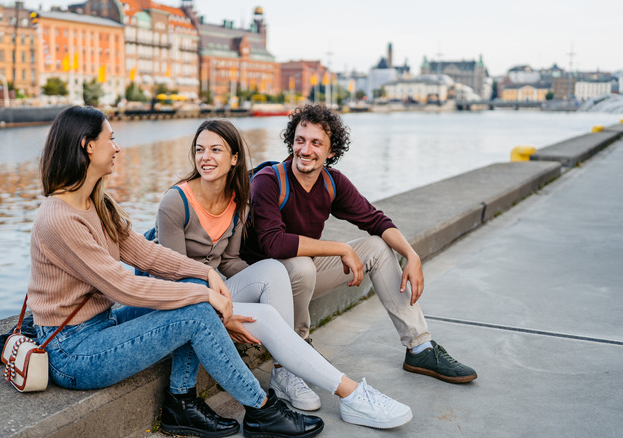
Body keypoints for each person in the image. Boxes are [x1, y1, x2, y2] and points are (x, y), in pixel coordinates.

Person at [28, 106, 324, 438]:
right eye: (110, 139)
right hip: (72, 352)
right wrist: (205, 293)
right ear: (87, 146)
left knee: (191, 292)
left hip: (101, 325)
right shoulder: (59, 219)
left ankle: (181, 403)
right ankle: (260, 409)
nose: (117, 147)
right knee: (196, 311)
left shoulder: (98, 202)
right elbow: (123, 287)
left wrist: (204, 274)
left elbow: (145, 253)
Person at [153, 119, 413, 429]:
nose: (205, 157)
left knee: (275, 269)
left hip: (217, 291)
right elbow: (173, 276)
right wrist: (225, 311)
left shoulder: (236, 201)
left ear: (234, 158)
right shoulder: (175, 202)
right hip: (185, 298)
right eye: (199, 150)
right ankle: (352, 395)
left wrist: (266, 289)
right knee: (265, 315)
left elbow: (231, 261)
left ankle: (286, 370)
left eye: (215, 150)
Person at [241, 103, 477, 384]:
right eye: (300, 141)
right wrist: (341, 248)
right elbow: (273, 244)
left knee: (377, 247)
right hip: (264, 283)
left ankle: (420, 346)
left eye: (316, 143)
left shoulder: (332, 182)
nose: (305, 150)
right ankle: (296, 351)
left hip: (301, 277)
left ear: (331, 152)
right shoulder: (269, 181)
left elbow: (375, 220)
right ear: (291, 142)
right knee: (302, 265)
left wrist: (412, 256)